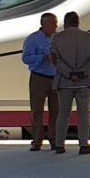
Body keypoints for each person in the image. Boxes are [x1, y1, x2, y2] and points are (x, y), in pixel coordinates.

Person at [50, 11, 90, 154]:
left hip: (64, 82)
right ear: (78, 22)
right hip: (84, 82)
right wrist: (83, 73)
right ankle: (84, 145)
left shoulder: (56, 38)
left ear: (65, 23)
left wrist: (68, 73)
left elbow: (55, 58)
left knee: (63, 114)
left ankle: (60, 145)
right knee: (84, 114)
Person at [21, 12, 59, 152]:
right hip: (39, 77)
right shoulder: (33, 39)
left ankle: (55, 140)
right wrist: (42, 57)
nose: (55, 26)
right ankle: (37, 141)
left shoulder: (58, 38)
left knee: (56, 110)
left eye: (55, 23)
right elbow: (26, 58)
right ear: (44, 25)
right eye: (52, 24)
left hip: (56, 77)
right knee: (37, 110)